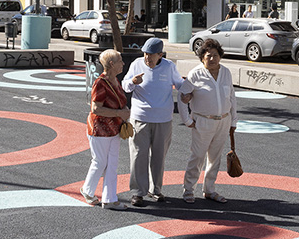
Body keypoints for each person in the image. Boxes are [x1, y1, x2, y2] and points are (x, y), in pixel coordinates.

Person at [123, 37, 190, 206]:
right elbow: (124, 85)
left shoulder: (169, 67)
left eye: (152, 55)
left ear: (160, 55)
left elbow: (180, 84)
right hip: (140, 117)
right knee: (138, 155)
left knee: (159, 156)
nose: (148, 58)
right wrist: (132, 82)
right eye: (145, 54)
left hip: (163, 119)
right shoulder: (136, 64)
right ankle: (138, 192)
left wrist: (191, 90)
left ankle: (156, 189)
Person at [180, 37, 237, 204]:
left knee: (215, 157)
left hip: (223, 121)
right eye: (208, 56)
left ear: (220, 56)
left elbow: (232, 97)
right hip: (202, 121)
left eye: (215, 55)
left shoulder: (226, 72)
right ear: (202, 58)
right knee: (197, 156)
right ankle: (189, 189)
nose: (212, 59)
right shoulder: (195, 74)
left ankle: (209, 189)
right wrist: (187, 120)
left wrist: (233, 121)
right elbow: (182, 97)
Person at [81, 49, 130, 210]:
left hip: (114, 128)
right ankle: (87, 190)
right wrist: (119, 113)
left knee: (112, 163)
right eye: (120, 61)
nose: (123, 63)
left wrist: (123, 112)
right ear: (111, 64)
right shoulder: (100, 83)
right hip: (100, 129)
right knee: (100, 161)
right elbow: (96, 108)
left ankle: (109, 199)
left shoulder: (116, 80)